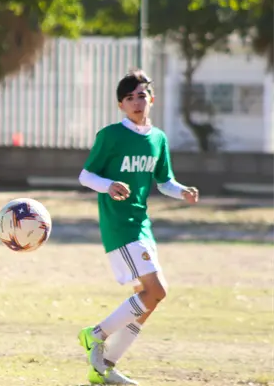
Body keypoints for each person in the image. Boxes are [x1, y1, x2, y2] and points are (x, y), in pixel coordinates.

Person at [77, 69, 200, 385]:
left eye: (141, 95)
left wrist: (183, 191)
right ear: (121, 104)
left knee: (147, 299)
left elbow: (164, 181)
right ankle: (95, 334)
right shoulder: (110, 135)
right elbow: (86, 176)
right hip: (120, 225)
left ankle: (104, 367)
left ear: (151, 99)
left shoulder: (158, 138)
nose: (136, 102)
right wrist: (108, 185)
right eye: (129, 97)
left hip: (143, 224)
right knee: (156, 291)